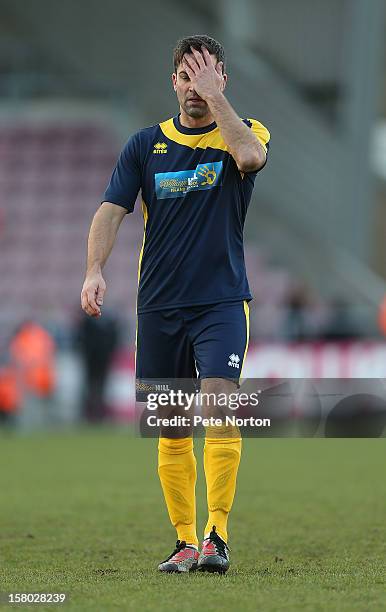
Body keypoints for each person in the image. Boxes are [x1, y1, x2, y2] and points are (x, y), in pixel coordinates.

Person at [81, 34, 270, 573]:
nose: (194, 88)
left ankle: (218, 536)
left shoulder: (243, 133)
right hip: (159, 307)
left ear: (222, 81)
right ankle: (185, 540)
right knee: (171, 426)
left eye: (205, 77)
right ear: (173, 82)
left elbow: (252, 157)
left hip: (221, 303)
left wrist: (217, 101)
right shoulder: (144, 146)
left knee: (218, 407)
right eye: (186, 77)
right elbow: (110, 210)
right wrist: (94, 269)